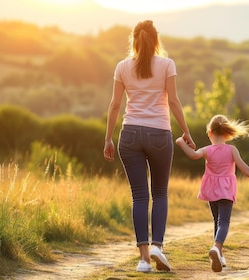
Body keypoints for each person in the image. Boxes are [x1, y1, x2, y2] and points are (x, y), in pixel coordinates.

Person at [103, 19, 195, 273]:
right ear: (156, 41)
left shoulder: (122, 67)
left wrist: (108, 138)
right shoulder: (167, 64)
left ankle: (144, 260)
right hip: (159, 134)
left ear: (134, 41)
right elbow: (174, 101)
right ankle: (158, 246)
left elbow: (114, 105)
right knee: (160, 193)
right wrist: (186, 131)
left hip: (130, 134)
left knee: (139, 196)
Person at [175, 114, 249, 272]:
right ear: (227, 133)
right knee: (224, 222)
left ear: (210, 133)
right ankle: (217, 247)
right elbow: (246, 170)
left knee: (216, 221)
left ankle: (219, 253)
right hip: (226, 190)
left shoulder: (207, 150)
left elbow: (193, 155)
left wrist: (180, 142)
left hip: (211, 189)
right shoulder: (232, 150)